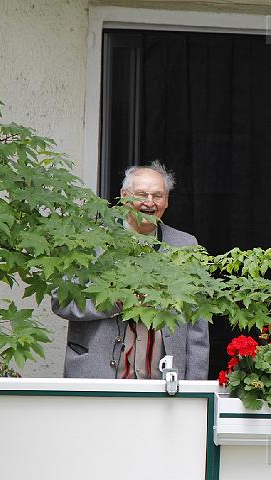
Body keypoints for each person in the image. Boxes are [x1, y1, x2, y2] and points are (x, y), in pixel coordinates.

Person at [52, 161, 209, 380]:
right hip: (97, 376)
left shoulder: (185, 245)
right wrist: (114, 302)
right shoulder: (90, 240)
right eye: (141, 194)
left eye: (158, 195)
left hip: (163, 382)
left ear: (167, 200)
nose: (149, 202)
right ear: (124, 196)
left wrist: (195, 388)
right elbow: (61, 301)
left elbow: (197, 327)